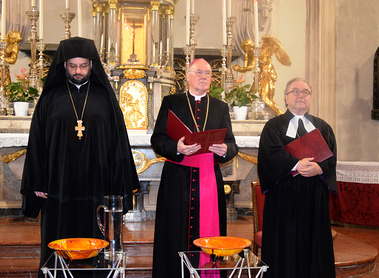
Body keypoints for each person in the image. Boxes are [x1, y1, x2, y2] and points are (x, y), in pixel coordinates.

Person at [20, 37, 140, 277]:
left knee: (96, 237)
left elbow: (118, 143)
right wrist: (38, 181)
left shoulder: (104, 97)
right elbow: (37, 143)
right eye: (73, 66)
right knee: (58, 236)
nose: (77, 71)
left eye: (83, 66)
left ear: (92, 65)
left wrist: (117, 184)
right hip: (58, 184)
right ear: (64, 65)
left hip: (97, 184)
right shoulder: (50, 97)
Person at [151, 58, 238, 278]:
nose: (204, 77)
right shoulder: (172, 102)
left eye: (208, 73)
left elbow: (232, 144)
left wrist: (224, 149)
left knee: (208, 230)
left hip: (208, 178)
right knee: (174, 228)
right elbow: (158, 139)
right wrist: (176, 147)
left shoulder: (220, 107)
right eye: (199, 72)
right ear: (188, 76)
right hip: (177, 177)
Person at [257, 77, 337, 278]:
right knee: (285, 243)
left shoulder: (322, 126)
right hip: (284, 197)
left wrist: (319, 168)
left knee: (314, 242)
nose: (300, 96)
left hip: (314, 197)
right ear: (285, 97)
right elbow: (270, 155)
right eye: (295, 91)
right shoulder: (273, 126)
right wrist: (296, 164)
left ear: (310, 97)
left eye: (305, 92)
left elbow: (332, 157)